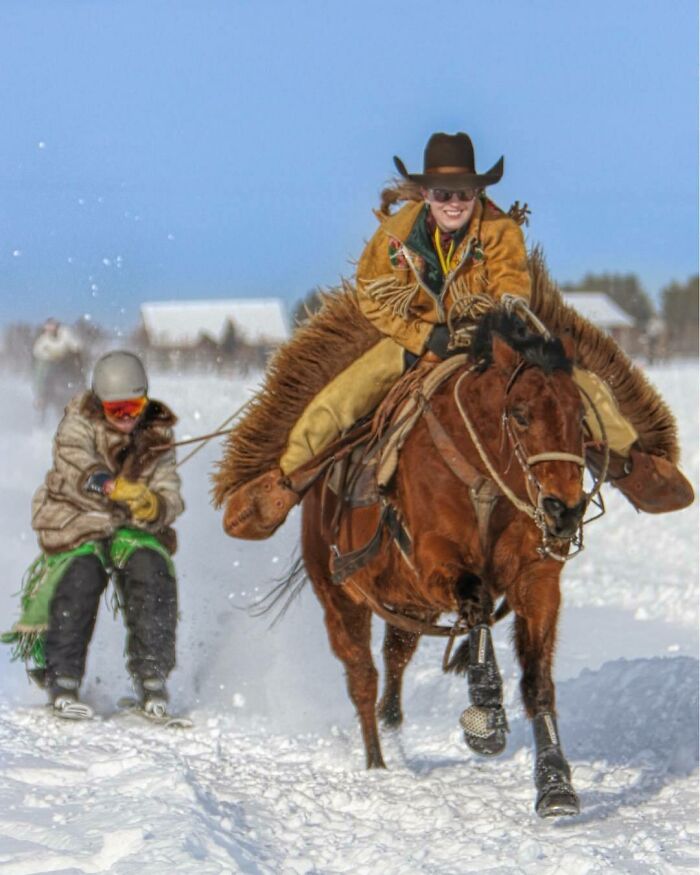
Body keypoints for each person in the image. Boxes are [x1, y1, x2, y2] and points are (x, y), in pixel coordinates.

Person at [220, 132, 693, 538]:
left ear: (477, 193)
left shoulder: (501, 230)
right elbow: (372, 296)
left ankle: (633, 467)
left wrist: (483, 328)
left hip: (494, 343)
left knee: (585, 389)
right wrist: (423, 336)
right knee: (340, 401)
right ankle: (284, 484)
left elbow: (512, 290)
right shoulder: (393, 237)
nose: (453, 203)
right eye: (443, 193)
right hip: (415, 341)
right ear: (426, 193)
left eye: (463, 193)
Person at [2, 351, 184, 720]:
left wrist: (155, 505)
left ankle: (152, 679)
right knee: (81, 574)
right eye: (117, 410)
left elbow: (169, 489)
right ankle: (62, 678)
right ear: (100, 404)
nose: (127, 417)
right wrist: (111, 486)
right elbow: (76, 464)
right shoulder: (78, 421)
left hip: (130, 526)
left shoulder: (158, 435)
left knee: (151, 569)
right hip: (78, 516)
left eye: (134, 407)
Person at [32, 318, 84, 420]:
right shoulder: (44, 339)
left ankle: (81, 388)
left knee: (78, 365)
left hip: (66, 360)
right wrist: (49, 355)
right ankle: (41, 397)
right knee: (41, 369)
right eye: (49, 328)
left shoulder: (65, 333)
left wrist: (74, 350)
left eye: (53, 327)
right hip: (51, 362)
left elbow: (75, 344)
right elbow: (37, 351)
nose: (51, 330)